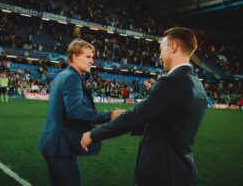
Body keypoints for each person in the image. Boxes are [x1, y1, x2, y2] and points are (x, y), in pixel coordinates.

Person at [81, 27, 208, 186]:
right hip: (183, 170)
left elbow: (135, 117)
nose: (160, 56)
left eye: (161, 49)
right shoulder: (197, 85)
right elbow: (166, 124)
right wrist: (128, 118)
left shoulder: (171, 81)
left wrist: (93, 135)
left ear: (173, 47)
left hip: (162, 173)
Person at [38, 38, 124, 186]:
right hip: (60, 146)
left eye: (93, 57)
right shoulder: (72, 77)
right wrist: (109, 115)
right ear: (75, 56)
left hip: (55, 143)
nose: (92, 61)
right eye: (88, 57)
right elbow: (75, 111)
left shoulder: (64, 74)